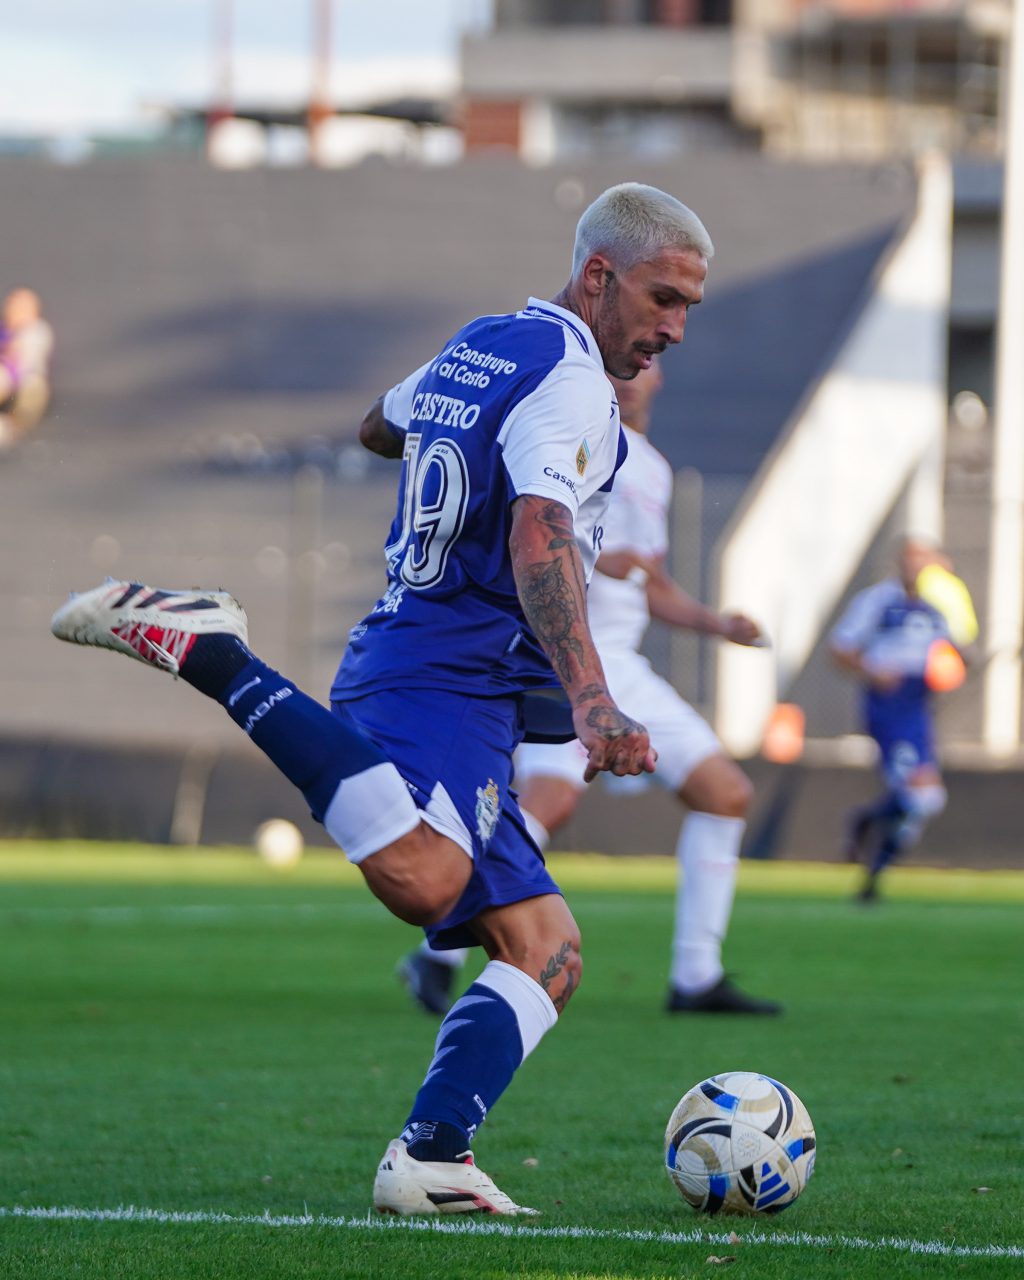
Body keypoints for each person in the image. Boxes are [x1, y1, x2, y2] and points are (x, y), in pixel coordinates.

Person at [51, 183, 713, 1217]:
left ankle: (432, 1157)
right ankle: (216, 654)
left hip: (456, 672)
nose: (673, 329)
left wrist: (464, 447)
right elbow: (538, 531)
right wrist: (594, 699)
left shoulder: (481, 344)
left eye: (687, 309)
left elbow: (376, 425)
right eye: (662, 298)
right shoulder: (575, 382)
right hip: (441, 669)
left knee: (546, 949)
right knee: (422, 877)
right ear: (598, 275)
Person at [398, 359, 781, 1020]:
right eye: (625, 365)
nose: (634, 375)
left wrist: (717, 625)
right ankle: (440, 953)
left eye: (651, 364)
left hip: (623, 666)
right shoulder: (579, 439)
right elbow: (532, 536)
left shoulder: (654, 468)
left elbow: (651, 583)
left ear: (660, 378)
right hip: (568, 661)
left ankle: (696, 977)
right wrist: (599, 559)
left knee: (725, 794)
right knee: (547, 805)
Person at [829, 535, 974, 902]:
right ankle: (872, 871)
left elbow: (958, 651)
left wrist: (960, 661)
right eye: (909, 558)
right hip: (888, 708)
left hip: (918, 705)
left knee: (925, 799)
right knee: (921, 796)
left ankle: (867, 831)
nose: (915, 566)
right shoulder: (878, 601)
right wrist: (872, 671)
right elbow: (840, 648)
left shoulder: (940, 604)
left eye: (922, 558)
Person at [0, 287, 54, 448]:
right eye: (12, 307)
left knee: (33, 388)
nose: (15, 312)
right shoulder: (4, 331)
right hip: (8, 379)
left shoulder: (35, 333)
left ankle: (12, 428)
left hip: (23, 382)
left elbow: (25, 361)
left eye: (22, 308)